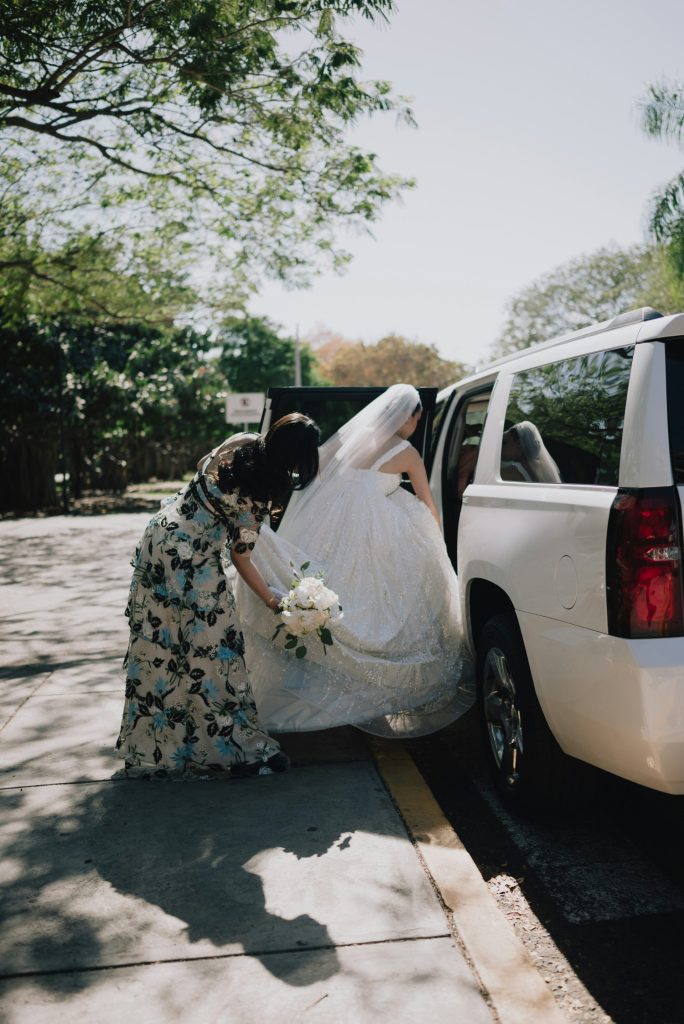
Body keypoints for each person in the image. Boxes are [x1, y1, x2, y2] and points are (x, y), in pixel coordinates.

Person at [236, 384, 473, 738]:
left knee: (339, 600)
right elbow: (427, 502)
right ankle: (381, 691)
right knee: (390, 606)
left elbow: (314, 476)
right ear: (405, 416)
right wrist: (438, 541)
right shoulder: (406, 452)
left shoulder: (350, 440)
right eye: (417, 417)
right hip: (386, 540)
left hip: (333, 534)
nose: (416, 424)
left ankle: (325, 684)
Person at [115, 414, 320, 777]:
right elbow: (241, 557)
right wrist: (273, 601)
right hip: (191, 560)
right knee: (216, 650)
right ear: (297, 461)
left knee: (162, 645)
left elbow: (200, 466)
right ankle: (236, 748)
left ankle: (158, 744)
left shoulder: (240, 442)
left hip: (159, 538)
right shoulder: (260, 496)